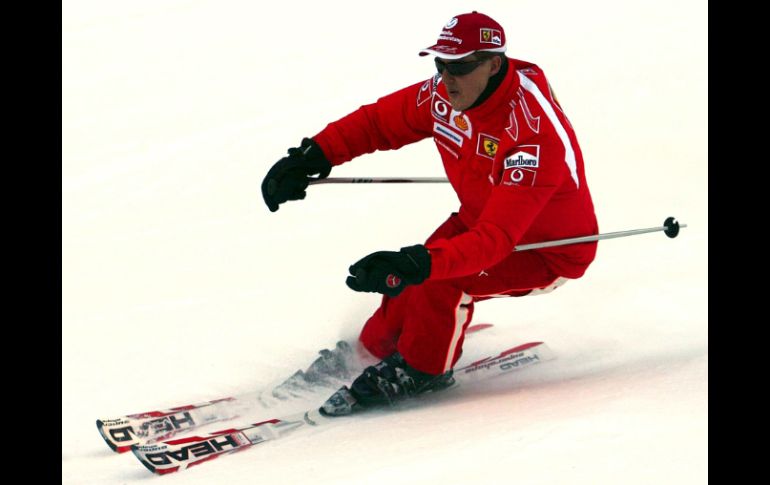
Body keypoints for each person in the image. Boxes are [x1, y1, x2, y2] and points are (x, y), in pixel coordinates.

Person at [261, 11, 598, 414]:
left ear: (493, 63)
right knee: (408, 281)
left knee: (439, 276)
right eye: (440, 64)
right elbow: (378, 123)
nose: (447, 77)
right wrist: (311, 155)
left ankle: (423, 370)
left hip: (544, 249)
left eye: (460, 66)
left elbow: (495, 241)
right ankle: (368, 353)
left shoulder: (532, 136)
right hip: (480, 217)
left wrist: (420, 263)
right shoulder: (445, 96)